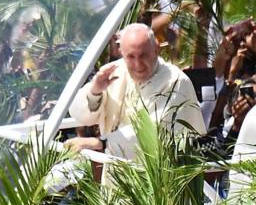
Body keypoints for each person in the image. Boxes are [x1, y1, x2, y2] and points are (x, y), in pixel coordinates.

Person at [68, 23, 206, 159]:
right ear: (121, 52)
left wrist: (102, 143)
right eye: (131, 56)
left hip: (160, 174)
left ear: (156, 49)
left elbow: (156, 132)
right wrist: (95, 91)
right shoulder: (113, 72)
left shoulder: (176, 81)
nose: (138, 64)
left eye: (143, 55)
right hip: (116, 171)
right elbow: (80, 115)